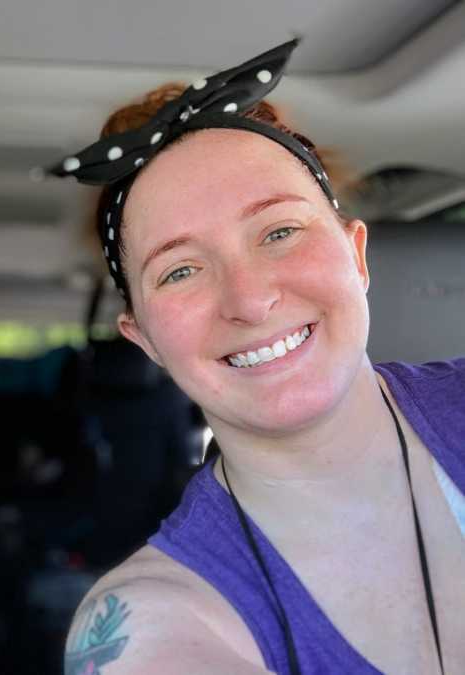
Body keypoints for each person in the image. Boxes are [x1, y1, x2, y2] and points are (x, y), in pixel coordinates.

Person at [51, 40, 465, 674]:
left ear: (357, 257)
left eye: (279, 232)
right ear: (145, 341)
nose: (249, 300)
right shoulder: (153, 619)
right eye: (182, 270)